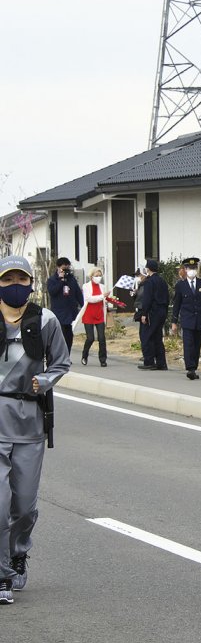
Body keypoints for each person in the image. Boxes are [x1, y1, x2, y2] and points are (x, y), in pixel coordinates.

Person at [0, 256, 71, 603]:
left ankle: (18, 553)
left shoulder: (46, 320)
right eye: (7, 278)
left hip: (29, 422)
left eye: (21, 278)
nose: (14, 284)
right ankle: (2, 577)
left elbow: (61, 361)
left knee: (24, 506)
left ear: (31, 283)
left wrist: (43, 380)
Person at [171, 257, 201, 380]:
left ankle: (194, 368)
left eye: (194, 268)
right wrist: (174, 321)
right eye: (190, 268)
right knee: (188, 344)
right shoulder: (180, 285)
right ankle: (190, 368)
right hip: (187, 320)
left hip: (200, 319)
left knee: (196, 345)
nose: (192, 270)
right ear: (185, 270)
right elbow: (177, 304)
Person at [46, 256, 84, 353]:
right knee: (61, 335)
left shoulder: (72, 279)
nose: (66, 270)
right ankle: (60, 355)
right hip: (59, 312)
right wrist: (61, 281)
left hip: (71, 311)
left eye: (68, 267)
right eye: (64, 268)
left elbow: (78, 294)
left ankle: (67, 354)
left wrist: (84, 306)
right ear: (58, 267)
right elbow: (52, 292)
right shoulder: (52, 280)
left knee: (69, 335)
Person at [76, 265, 111, 367]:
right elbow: (89, 299)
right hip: (89, 314)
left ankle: (103, 359)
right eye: (96, 275)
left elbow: (103, 299)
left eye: (100, 275)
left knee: (102, 338)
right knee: (90, 338)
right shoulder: (86, 286)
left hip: (99, 314)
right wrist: (102, 296)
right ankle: (84, 355)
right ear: (91, 276)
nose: (98, 277)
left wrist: (108, 298)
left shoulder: (102, 287)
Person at [138, 259, 169, 371]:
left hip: (152, 311)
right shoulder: (162, 281)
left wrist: (144, 313)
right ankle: (161, 363)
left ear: (148, 269)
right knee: (157, 337)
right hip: (162, 310)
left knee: (147, 336)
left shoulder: (149, 282)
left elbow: (147, 299)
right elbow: (167, 297)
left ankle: (149, 361)